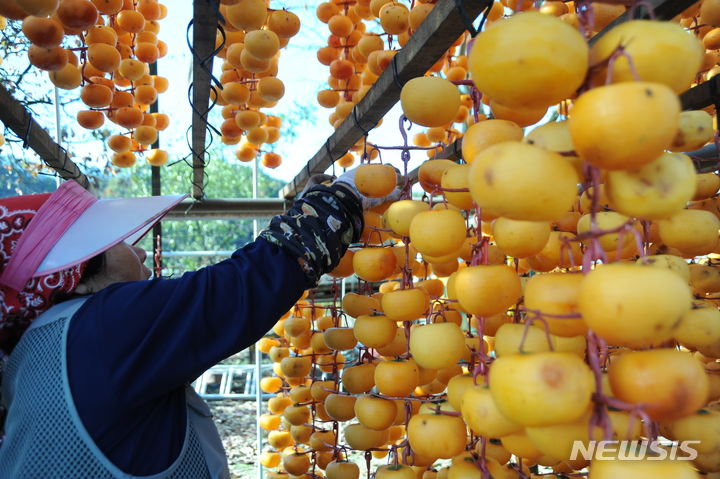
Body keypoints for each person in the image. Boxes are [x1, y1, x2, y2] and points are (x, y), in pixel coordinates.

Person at [0, 168, 397, 478]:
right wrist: (341, 197)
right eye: (117, 243)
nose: (137, 251)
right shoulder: (103, 327)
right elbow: (239, 289)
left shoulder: (39, 348)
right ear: (78, 276)